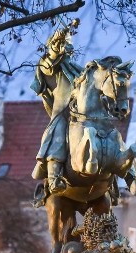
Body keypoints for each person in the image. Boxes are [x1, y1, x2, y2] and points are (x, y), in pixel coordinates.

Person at [30, 25, 83, 197]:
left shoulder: (79, 70)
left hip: (84, 112)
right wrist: (56, 42)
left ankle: (117, 177)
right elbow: (48, 63)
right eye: (62, 44)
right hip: (64, 111)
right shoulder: (51, 69)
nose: (66, 47)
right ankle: (54, 177)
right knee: (58, 129)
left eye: (67, 44)